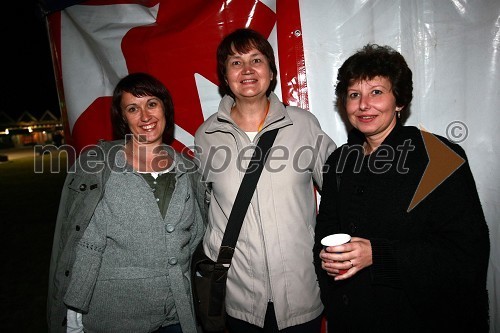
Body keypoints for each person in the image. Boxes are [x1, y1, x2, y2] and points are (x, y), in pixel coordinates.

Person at [314, 44, 490, 332]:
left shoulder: (438, 156)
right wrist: (327, 262)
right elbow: (325, 230)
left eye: (377, 92)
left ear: (399, 101)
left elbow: (466, 254)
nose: (363, 105)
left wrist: (379, 255)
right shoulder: (340, 160)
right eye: (354, 95)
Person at [194, 28, 336, 332]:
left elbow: (341, 191)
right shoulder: (206, 136)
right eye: (235, 62)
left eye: (256, 60)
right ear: (224, 76)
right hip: (238, 297)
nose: (247, 70)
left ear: (271, 72)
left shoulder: (303, 125)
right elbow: (203, 207)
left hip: (300, 292)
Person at [47, 72, 205, 333]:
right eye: (133, 108)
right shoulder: (102, 170)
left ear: (165, 108)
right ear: (122, 118)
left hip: (178, 313)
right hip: (116, 315)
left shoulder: (188, 170)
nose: (145, 116)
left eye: (152, 104)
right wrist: (74, 315)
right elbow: (88, 245)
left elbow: (196, 234)